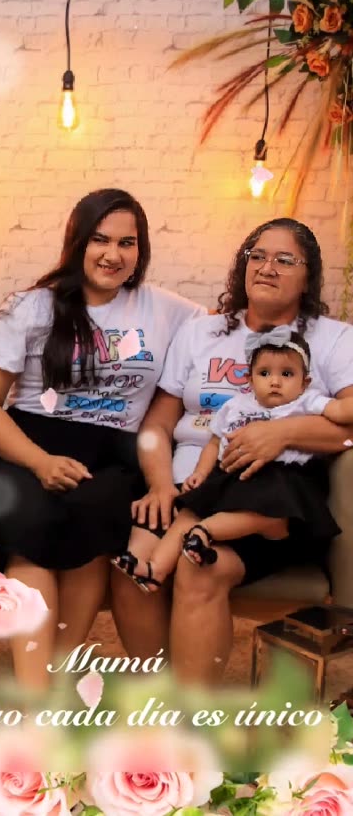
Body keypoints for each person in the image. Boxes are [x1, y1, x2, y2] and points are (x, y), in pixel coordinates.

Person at [0, 188, 205, 689]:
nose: (113, 254)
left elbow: (228, 339)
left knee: (92, 525)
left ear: (141, 250)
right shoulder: (32, 307)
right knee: (31, 533)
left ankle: (55, 681)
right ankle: (36, 692)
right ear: (77, 241)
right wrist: (40, 462)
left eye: (128, 243)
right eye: (100, 239)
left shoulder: (170, 311)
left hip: (114, 451)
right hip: (30, 443)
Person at [110, 217, 353, 684]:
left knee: (199, 567)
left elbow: (348, 426)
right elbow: (157, 423)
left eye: (285, 260)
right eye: (257, 256)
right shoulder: (201, 332)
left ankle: (193, 704)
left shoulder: (332, 339)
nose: (267, 267)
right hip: (192, 482)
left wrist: (284, 433)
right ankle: (158, 694)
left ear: (309, 277)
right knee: (131, 565)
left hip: (270, 497)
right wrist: (160, 485)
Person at [113, 326, 353, 592]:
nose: (275, 382)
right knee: (191, 509)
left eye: (287, 374)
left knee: (261, 510)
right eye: (264, 373)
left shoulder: (307, 401)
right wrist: (201, 473)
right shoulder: (236, 405)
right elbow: (215, 442)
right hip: (232, 475)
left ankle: (205, 532)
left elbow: (342, 410)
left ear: (304, 382)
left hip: (283, 479)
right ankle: (155, 568)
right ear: (249, 379)